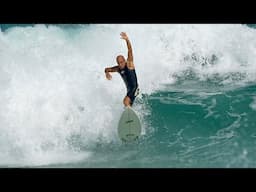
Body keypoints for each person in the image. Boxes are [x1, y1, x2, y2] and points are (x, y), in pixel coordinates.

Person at [104, 32, 139, 107]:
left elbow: (130, 51)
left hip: (135, 88)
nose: (120, 64)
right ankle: (130, 114)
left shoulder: (129, 64)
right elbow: (107, 69)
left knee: (125, 101)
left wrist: (127, 40)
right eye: (118, 63)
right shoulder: (118, 68)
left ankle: (129, 112)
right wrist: (107, 73)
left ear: (124, 61)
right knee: (127, 105)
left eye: (121, 62)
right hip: (129, 90)